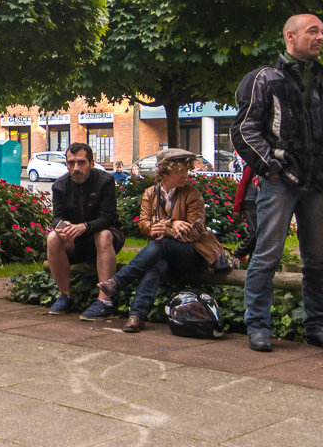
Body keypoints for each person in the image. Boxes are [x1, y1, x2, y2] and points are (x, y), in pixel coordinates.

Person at [232, 13, 323, 353]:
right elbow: (244, 129)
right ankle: (258, 326)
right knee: (267, 255)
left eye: (322, 32)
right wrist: (270, 166)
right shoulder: (263, 79)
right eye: (313, 31)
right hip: (279, 182)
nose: (320, 37)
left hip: (319, 181)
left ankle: (319, 326)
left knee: (318, 259)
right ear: (290, 36)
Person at [97, 149, 225, 332]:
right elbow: (143, 224)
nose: (185, 175)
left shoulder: (193, 194)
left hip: (191, 254)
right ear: (165, 172)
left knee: (161, 243)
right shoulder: (150, 193)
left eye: (186, 170)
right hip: (161, 254)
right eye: (180, 171)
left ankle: (118, 282)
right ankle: (136, 316)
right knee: (156, 266)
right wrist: (168, 225)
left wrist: (168, 230)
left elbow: (196, 231)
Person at [46, 142, 125, 320]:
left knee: (103, 235)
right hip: (76, 240)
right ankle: (64, 296)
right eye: (71, 163)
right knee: (52, 238)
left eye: (81, 162)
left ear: (91, 163)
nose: (76, 168)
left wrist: (85, 226)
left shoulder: (105, 181)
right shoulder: (59, 185)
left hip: (107, 237)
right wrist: (62, 227)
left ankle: (104, 301)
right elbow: (57, 218)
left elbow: (108, 217)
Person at [232, 164, 259, 260]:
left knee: (260, 234)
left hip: (261, 203)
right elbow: (242, 186)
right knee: (255, 232)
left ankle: (253, 259)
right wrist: (237, 208)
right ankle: (237, 254)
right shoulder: (251, 166)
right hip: (250, 202)